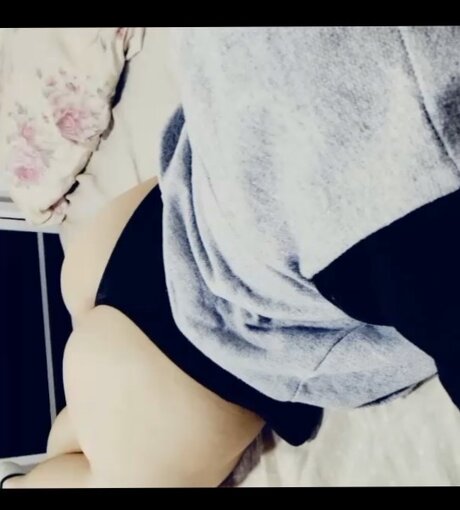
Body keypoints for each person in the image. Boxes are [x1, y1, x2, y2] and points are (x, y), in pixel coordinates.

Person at [2, 26, 460, 488]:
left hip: (154, 222)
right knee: (101, 467)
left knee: (93, 425)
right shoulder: (427, 188)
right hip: (188, 356)